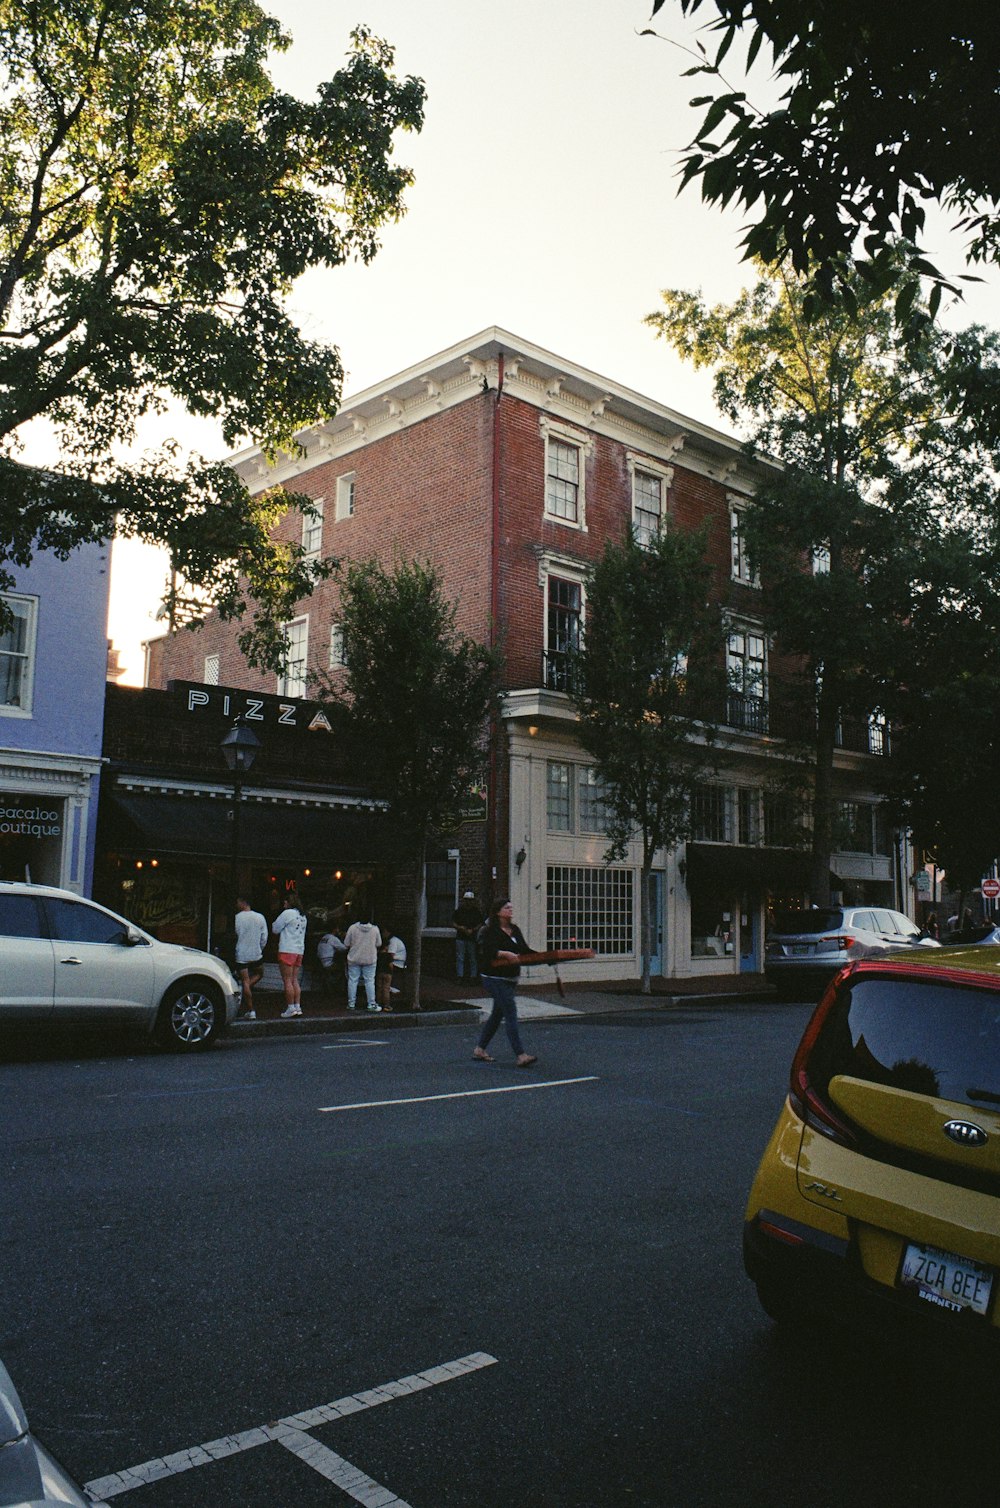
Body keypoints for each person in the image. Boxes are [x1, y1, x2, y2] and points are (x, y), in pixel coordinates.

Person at [474, 898, 537, 1068]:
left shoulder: (514, 930)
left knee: (497, 1015)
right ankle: (520, 1055)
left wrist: (546, 957)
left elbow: (523, 951)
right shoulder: (489, 931)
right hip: (494, 978)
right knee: (510, 1012)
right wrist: (504, 953)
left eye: (511, 907)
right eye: (506, 907)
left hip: (510, 978)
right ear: (497, 912)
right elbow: (487, 951)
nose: (510, 909)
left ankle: (480, 1049)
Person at [272, 891, 308, 1018]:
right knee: (294, 979)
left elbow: (275, 929)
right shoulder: (303, 916)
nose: (283, 904)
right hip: (299, 950)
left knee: (287, 980)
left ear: (289, 902)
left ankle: (290, 1007)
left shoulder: (287, 914)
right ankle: (297, 1006)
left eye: (285, 902)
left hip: (287, 948)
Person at [233, 895, 267, 1020]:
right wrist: (260, 948)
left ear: (243, 902)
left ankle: (251, 1009)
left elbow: (235, 934)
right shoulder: (260, 917)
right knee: (260, 973)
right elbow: (264, 937)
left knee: (245, 981)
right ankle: (246, 989)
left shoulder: (236, 918)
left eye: (238, 902)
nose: (237, 905)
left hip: (241, 954)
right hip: (256, 953)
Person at [344, 917, 382, 1011]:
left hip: (354, 958)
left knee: (352, 981)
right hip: (370, 959)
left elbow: (346, 943)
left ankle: (351, 1003)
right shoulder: (375, 929)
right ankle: (371, 1004)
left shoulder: (352, 928)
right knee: (369, 981)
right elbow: (379, 943)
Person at [453, 890, 483, 980]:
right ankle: (460, 976)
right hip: (460, 937)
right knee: (460, 958)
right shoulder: (459, 911)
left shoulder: (476, 912)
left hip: (472, 938)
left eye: (470, 900)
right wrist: (461, 928)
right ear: (464, 900)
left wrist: (473, 930)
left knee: (472, 958)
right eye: (467, 900)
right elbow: (453, 923)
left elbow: (480, 923)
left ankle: (473, 976)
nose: (468, 902)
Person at [316, 925, 347, 994]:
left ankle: (331, 986)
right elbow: (344, 948)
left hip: (320, 963)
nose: (339, 930)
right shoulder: (333, 939)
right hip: (329, 963)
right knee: (345, 968)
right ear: (335, 929)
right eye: (338, 928)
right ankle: (339, 989)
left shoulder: (324, 937)